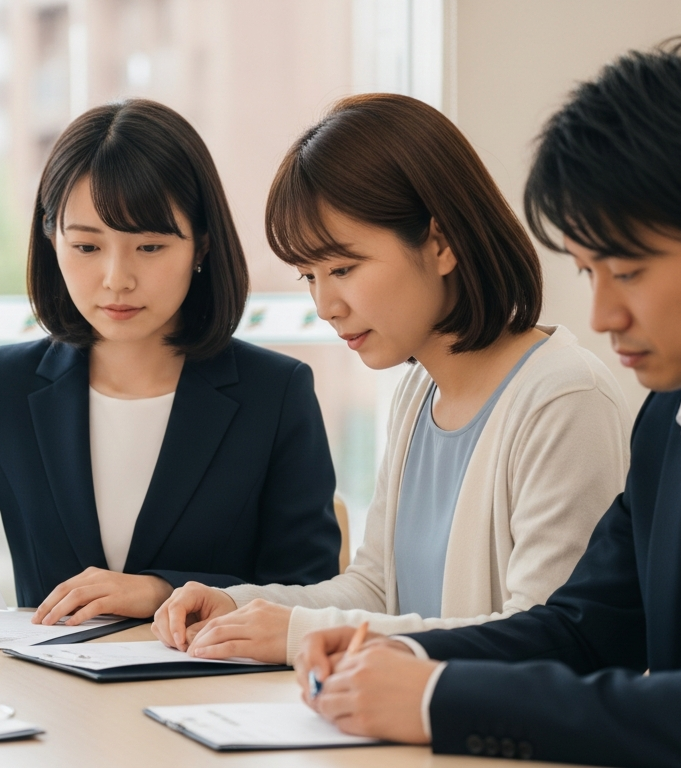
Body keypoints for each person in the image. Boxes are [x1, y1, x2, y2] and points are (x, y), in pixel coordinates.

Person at [293, 39, 681, 767]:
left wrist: (436, 699)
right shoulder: (670, 420)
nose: (601, 315)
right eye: (588, 271)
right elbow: (581, 628)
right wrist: (400, 653)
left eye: (627, 271)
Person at [153, 93, 632, 666]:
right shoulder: (420, 391)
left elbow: (543, 641)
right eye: (309, 275)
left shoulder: (563, 399)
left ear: (441, 242)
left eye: (343, 268)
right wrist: (237, 605)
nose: (325, 304)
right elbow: (375, 589)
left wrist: (300, 633)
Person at [0, 99, 341, 626]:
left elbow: (308, 589)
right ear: (51, 239)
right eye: (85, 246)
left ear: (201, 246)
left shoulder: (274, 393)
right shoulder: (4, 386)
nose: (116, 279)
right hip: (46, 693)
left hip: (208, 690)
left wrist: (159, 592)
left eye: (149, 247)